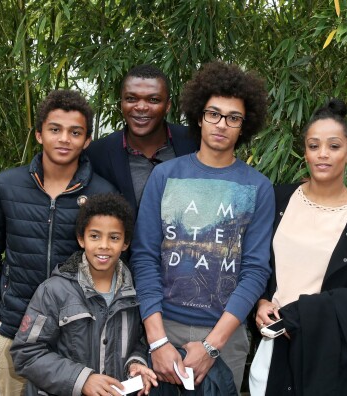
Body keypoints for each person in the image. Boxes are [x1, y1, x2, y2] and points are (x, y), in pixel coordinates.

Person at [130, 61, 275, 393]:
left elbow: (254, 271)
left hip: (226, 335)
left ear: (244, 125)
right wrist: (156, 342)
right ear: (199, 116)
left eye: (233, 117)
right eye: (214, 113)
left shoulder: (258, 187)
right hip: (163, 326)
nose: (221, 124)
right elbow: (144, 257)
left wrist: (212, 345)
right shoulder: (165, 176)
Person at [0, 90, 117, 395]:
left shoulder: (103, 194)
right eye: (55, 129)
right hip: (14, 333)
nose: (64, 138)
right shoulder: (5, 186)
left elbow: (114, 265)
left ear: (87, 140)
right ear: (39, 134)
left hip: (77, 337)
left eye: (75, 132)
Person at [254, 99, 347, 395]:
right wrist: (260, 302)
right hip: (274, 343)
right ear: (304, 152)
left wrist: (309, 313)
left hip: (330, 354)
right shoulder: (278, 198)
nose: (322, 154)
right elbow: (255, 262)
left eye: (334, 146)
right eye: (313, 145)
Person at [10, 194, 158, 396]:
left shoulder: (135, 292)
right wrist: (81, 379)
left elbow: (139, 342)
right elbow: (26, 354)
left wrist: (136, 363)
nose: (104, 245)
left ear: (125, 243)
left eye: (114, 237)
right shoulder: (54, 291)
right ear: (81, 239)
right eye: (95, 236)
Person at [86, 64, 198, 216]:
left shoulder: (194, 142)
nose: (141, 107)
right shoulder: (97, 154)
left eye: (153, 99)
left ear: (168, 106)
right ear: (121, 104)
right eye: (131, 99)